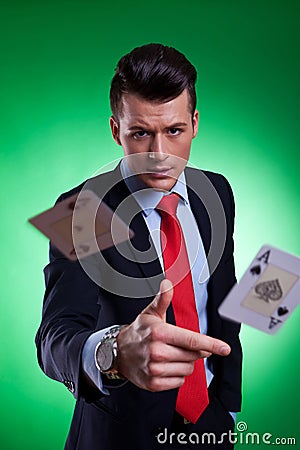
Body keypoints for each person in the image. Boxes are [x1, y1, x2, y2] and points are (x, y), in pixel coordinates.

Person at [35, 43, 242, 449]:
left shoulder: (216, 191)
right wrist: (111, 353)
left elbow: (223, 304)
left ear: (195, 123)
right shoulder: (76, 212)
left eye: (175, 131)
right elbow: (53, 337)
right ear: (116, 130)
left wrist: (229, 407)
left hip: (211, 425)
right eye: (141, 133)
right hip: (121, 435)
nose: (160, 155)